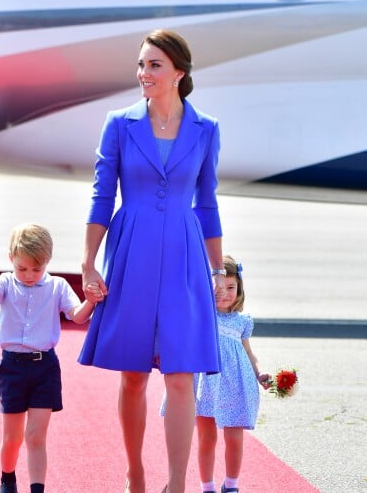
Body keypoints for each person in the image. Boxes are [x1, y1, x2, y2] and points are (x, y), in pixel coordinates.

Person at [78, 29, 225, 493]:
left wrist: (219, 271)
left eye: (154, 65)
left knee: (182, 374)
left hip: (185, 252)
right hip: (132, 249)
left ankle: (177, 483)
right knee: (135, 374)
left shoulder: (206, 129)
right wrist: (87, 261)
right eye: (141, 64)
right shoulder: (119, 123)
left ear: (179, 72)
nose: (144, 73)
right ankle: (135, 471)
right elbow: (103, 195)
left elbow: (208, 203)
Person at [0, 223, 103, 493]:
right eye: (22, 268)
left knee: (36, 436)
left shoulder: (57, 286)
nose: (29, 275)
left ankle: (37, 488)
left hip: (45, 368)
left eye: (36, 269)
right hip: (12, 367)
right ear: (11, 259)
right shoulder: (6, 282)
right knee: (13, 437)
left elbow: (76, 315)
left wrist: (90, 301)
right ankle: (7, 479)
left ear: (47, 262)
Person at [171, 256, 270, 493]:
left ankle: (232, 485)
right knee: (207, 437)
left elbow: (248, 351)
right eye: (217, 286)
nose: (223, 293)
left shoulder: (242, 321)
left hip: (236, 384)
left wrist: (260, 372)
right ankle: (208, 487)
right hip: (207, 383)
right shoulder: (200, 316)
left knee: (235, 437)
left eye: (230, 287)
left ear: (239, 288)